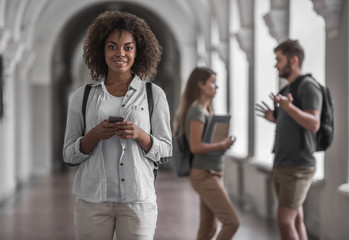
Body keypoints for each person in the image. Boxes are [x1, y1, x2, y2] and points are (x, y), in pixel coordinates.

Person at [62, 11, 172, 240]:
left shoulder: (154, 95)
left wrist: (142, 136)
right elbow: (68, 155)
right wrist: (93, 135)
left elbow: (166, 152)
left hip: (138, 201)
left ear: (138, 51)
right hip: (92, 202)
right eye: (112, 46)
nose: (120, 53)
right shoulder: (82, 97)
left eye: (128, 47)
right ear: (101, 50)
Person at [255, 39, 322, 240]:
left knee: (284, 221)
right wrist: (275, 117)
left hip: (298, 165)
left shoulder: (308, 86)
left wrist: (288, 108)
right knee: (295, 219)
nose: (276, 64)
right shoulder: (286, 90)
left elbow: (313, 124)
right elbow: (293, 121)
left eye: (279, 59)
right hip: (283, 163)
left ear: (293, 61)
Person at [173, 67, 240, 240]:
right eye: (212, 82)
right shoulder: (196, 111)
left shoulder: (205, 110)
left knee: (208, 230)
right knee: (232, 222)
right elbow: (196, 147)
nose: (216, 86)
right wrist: (222, 144)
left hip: (212, 173)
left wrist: (221, 144)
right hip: (205, 175)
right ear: (201, 85)